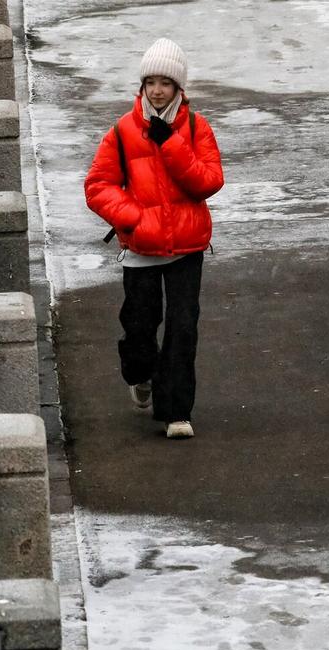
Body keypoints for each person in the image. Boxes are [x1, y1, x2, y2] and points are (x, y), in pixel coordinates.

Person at [83, 38, 224, 439]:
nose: (158, 90)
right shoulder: (123, 131)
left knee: (183, 328)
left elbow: (209, 182)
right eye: (151, 82)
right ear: (142, 86)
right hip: (140, 247)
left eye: (166, 82)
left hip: (187, 247)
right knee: (140, 327)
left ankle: (176, 411)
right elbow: (98, 185)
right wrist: (132, 218)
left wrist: (170, 143)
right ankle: (139, 374)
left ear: (180, 89)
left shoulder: (196, 128)